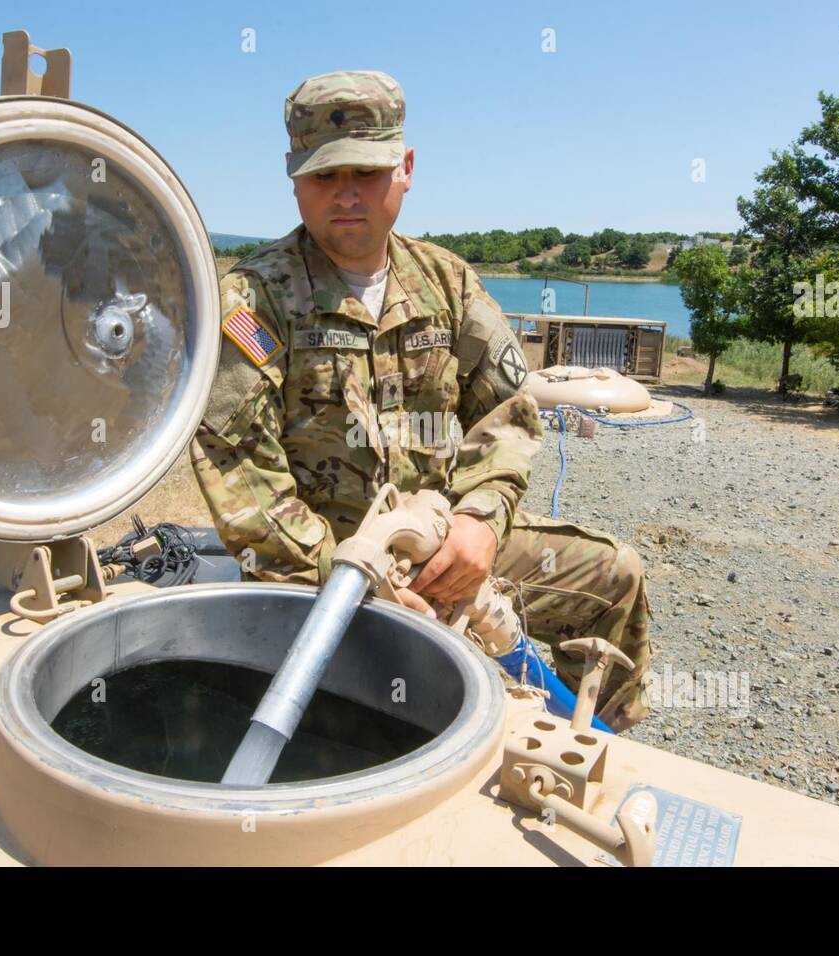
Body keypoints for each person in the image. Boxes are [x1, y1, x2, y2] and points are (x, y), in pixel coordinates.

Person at [190, 70, 653, 730]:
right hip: (320, 576)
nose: (346, 193)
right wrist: (346, 573)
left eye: (367, 171)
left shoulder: (448, 283)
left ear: (405, 168)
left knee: (615, 577)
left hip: (445, 545)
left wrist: (479, 523)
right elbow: (239, 468)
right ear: (293, 177)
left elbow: (509, 409)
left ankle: (592, 752)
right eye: (325, 175)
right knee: (379, 723)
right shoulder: (251, 299)